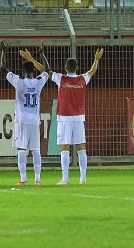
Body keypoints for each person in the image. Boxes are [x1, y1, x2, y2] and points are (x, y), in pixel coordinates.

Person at [48, 48, 104, 185]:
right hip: (79, 117)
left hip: (64, 117)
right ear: (77, 68)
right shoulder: (82, 79)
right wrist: (96, 59)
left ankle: (65, 178)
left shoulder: (61, 78)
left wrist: (38, 56)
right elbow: (92, 71)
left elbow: (46, 70)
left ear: (65, 68)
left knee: (64, 147)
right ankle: (83, 178)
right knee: (81, 147)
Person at [0, 41, 50, 186]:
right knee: (35, 150)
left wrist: (4, 51)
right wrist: (41, 54)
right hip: (34, 120)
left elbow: (3, 69)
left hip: (21, 120)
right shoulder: (38, 82)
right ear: (33, 70)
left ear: (22, 71)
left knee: (21, 148)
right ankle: (37, 179)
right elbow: (47, 70)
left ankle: (23, 179)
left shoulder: (19, 82)